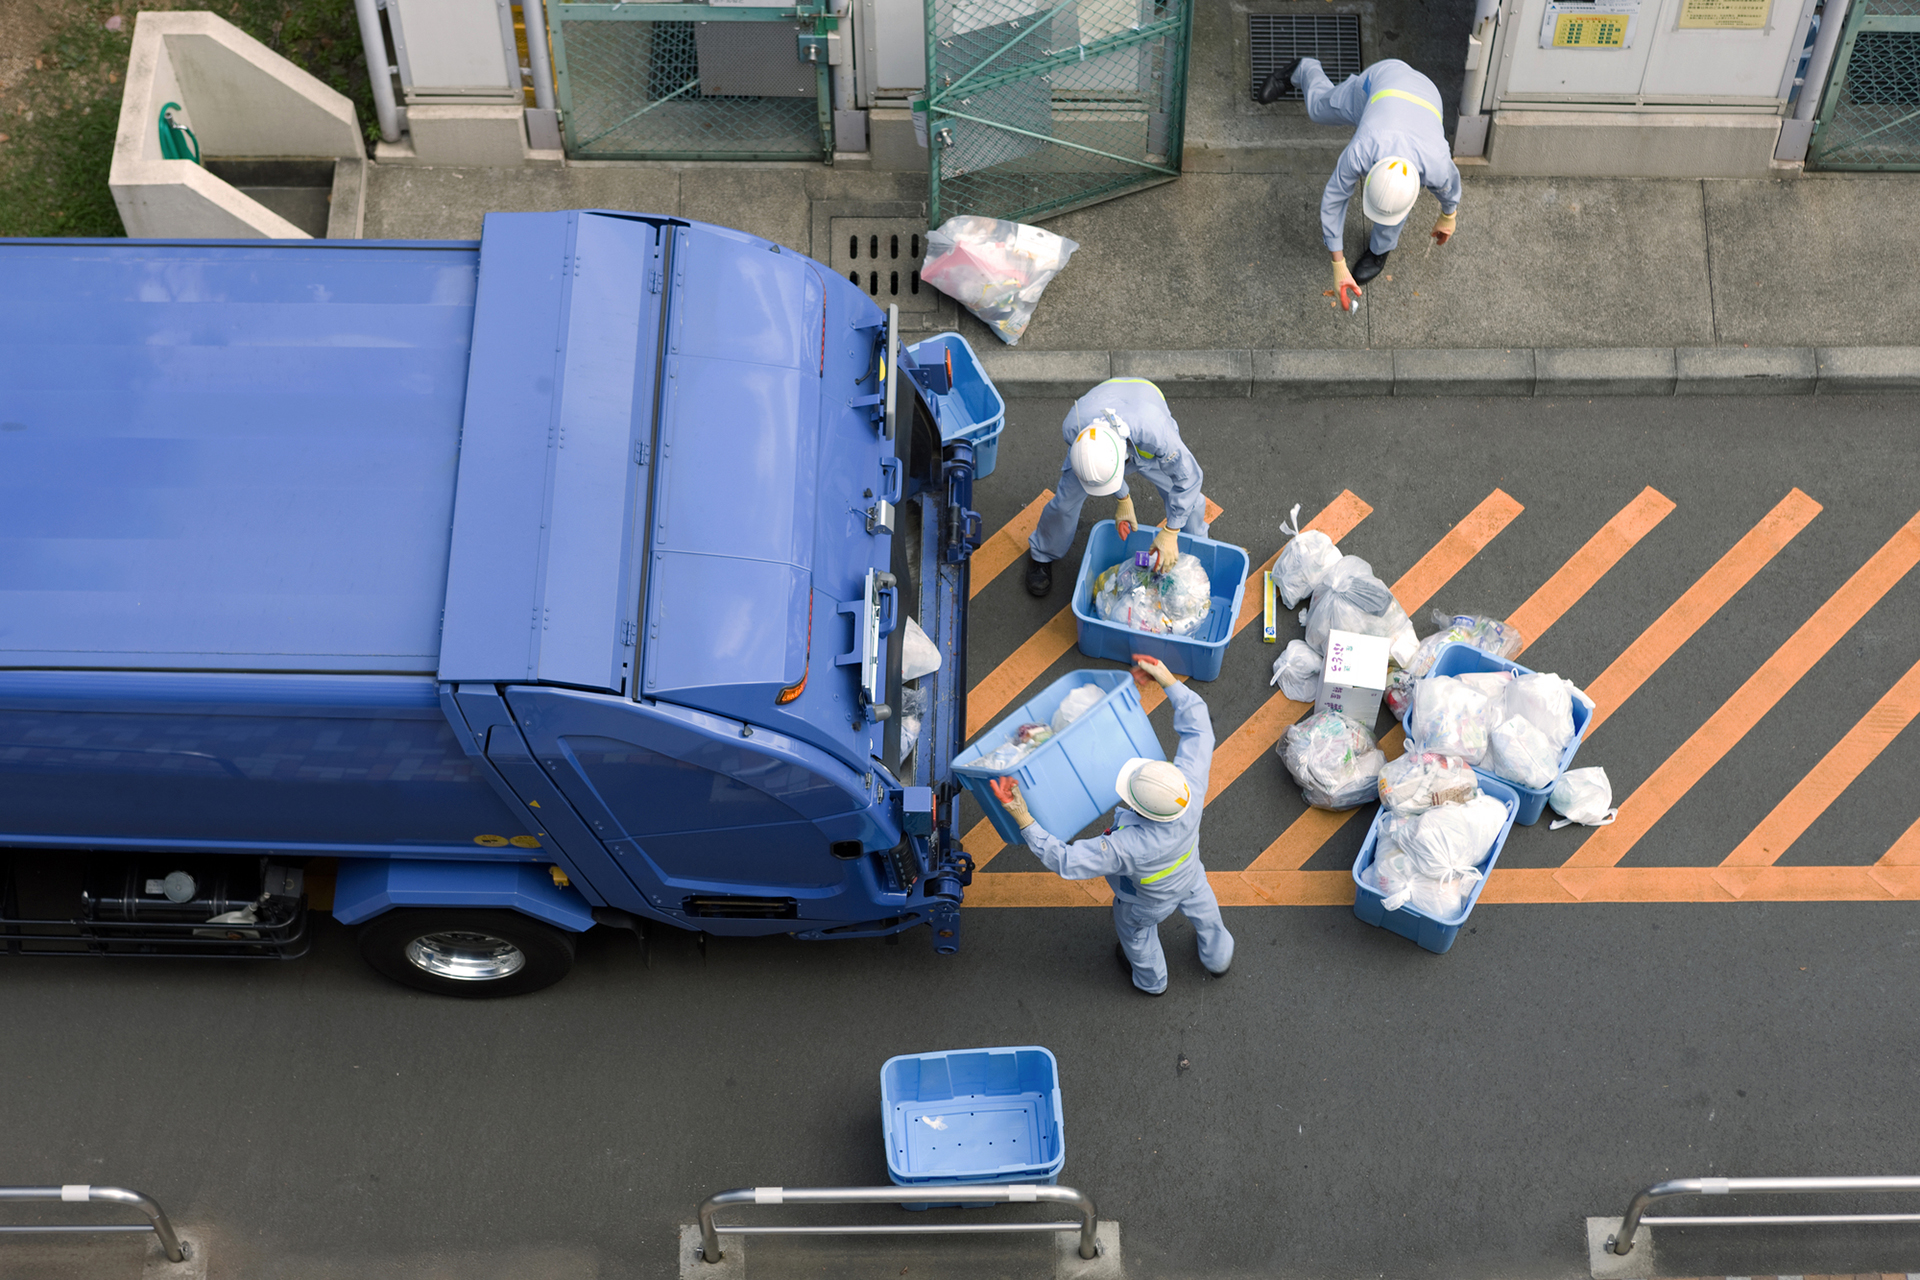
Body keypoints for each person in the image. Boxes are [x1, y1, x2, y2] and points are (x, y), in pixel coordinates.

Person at [989, 656, 1233, 996]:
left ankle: (1153, 982)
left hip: (1147, 902)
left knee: (1136, 937)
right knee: (1206, 912)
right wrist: (1168, 681)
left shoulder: (1127, 846)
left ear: (1141, 809)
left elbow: (1066, 860)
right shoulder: (1189, 790)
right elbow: (1199, 730)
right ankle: (1219, 957)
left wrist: (1023, 817)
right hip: (1191, 875)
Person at [1256, 57, 1462, 310]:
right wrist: (1337, 262)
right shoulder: (1361, 149)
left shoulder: (1436, 164)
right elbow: (1335, 198)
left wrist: (1448, 215)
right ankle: (1303, 69)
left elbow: (1449, 187)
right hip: (1382, 82)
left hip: (1427, 96)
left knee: (1396, 207)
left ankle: (1379, 251)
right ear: (1370, 171)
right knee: (1319, 109)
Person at [1024, 378, 1209, 598]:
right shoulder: (1075, 429)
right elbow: (1098, 469)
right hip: (1104, 404)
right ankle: (1042, 554)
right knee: (1064, 504)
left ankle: (1199, 553)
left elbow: (1189, 478)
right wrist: (1123, 498)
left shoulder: (1156, 433)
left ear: (1123, 457)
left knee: (1192, 503)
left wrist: (1171, 531)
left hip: (1143, 399)